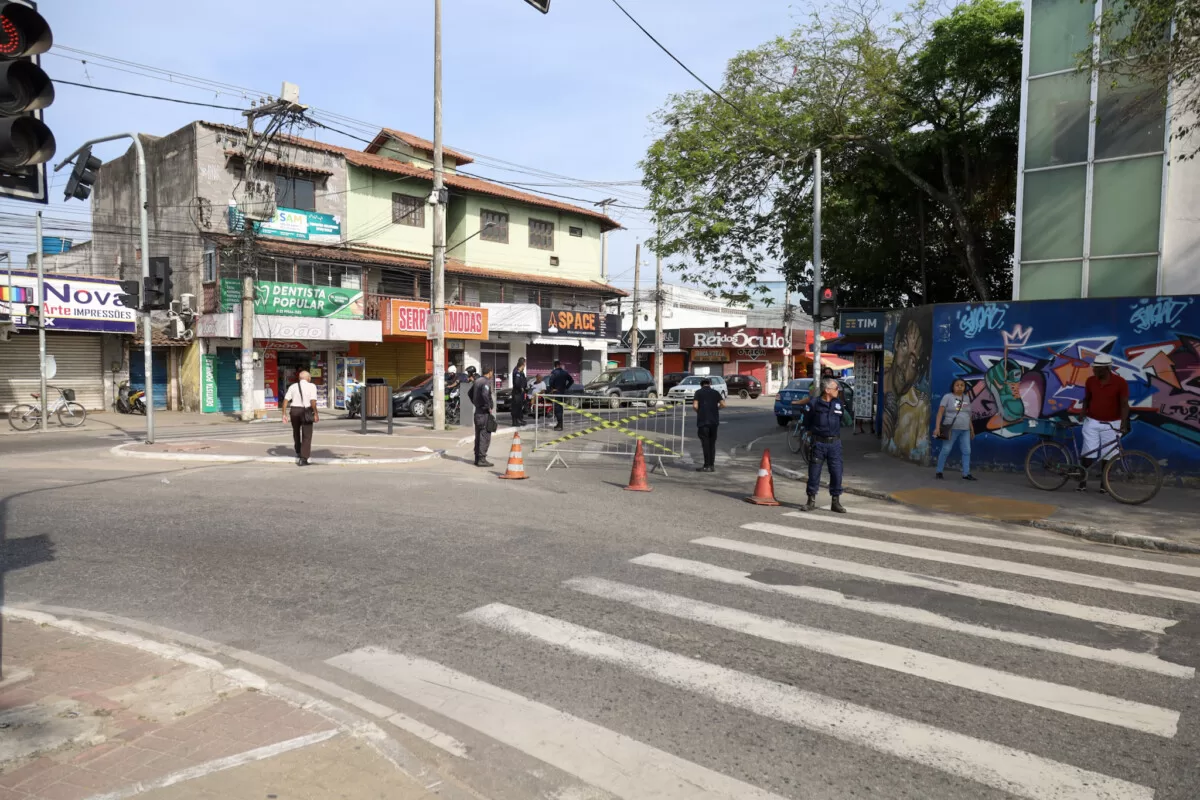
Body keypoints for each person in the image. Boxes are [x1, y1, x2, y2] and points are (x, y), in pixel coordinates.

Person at [1078, 352, 1129, 493]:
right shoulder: (1090, 381)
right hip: (1092, 421)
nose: (1094, 370)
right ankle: (1082, 482)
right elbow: (1087, 398)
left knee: (1109, 455)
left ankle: (1104, 484)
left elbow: (1124, 404)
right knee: (1088, 452)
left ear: (1106, 368)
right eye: (1094, 368)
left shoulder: (1120, 382)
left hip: (1113, 423)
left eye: (1097, 368)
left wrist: (1123, 423)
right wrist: (1083, 412)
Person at [801, 378, 847, 513]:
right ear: (827, 390)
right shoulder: (814, 404)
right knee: (814, 473)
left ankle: (835, 502)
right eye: (836, 388)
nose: (838, 391)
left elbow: (842, 419)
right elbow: (807, 422)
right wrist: (809, 437)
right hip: (818, 444)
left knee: (837, 473)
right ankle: (811, 501)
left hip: (835, 444)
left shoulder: (838, 403)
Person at [934, 378, 976, 481]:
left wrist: (972, 429)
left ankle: (966, 474)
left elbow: (968, 414)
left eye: (962, 385)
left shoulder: (966, 398)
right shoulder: (947, 397)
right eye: (957, 385)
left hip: (965, 429)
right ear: (953, 386)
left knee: (967, 451)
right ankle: (939, 471)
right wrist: (937, 427)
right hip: (951, 429)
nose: (960, 387)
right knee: (946, 449)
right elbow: (940, 413)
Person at [281, 369, 319, 467]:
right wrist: (315, 413)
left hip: (294, 411)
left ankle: (298, 451)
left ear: (299, 378)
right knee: (307, 435)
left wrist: (284, 414)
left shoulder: (293, 386)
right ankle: (303, 458)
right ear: (308, 378)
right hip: (305, 411)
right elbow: (313, 402)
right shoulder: (312, 386)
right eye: (310, 377)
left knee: (296, 432)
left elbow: (285, 401)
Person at [692, 377, 725, 472]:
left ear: (701, 384)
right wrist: (716, 409)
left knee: (705, 444)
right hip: (714, 422)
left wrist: (699, 411)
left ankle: (706, 465)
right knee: (712, 444)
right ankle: (712, 465)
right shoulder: (715, 392)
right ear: (710, 384)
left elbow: (695, 405)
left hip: (703, 422)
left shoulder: (698, 392)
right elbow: (723, 404)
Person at [469, 366, 496, 467]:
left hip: (477, 412)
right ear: (490, 372)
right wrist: (488, 406)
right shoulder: (485, 382)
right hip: (483, 413)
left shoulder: (477, 381)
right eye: (492, 372)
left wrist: (475, 403)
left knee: (478, 436)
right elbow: (485, 394)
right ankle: (482, 459)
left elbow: (469, 393)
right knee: (485, 436)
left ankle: (477, 458)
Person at [546, 360, 573, 431]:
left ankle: (559, 425)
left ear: (555, 366)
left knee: (557, 409)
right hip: (563, 393)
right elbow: (571, 381)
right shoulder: (565, 372)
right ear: (560, 365)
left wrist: (552, 389)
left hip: (557, 392)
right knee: (560, 408)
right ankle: (560, 424)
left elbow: (551, 382)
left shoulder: (554, 373)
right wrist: (566, 387)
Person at [511, 357, 529, 428]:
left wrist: (525, 388)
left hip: (521, 393)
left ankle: (520, 419)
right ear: (522, 364)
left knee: (520, 407)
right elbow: (517, 383)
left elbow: (524, 381)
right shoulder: (517, 371)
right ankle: (515, 421)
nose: (525, 365)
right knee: (515, 407)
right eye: (524, 363)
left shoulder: (521, 372)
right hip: (517, 393)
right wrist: (521, 388)